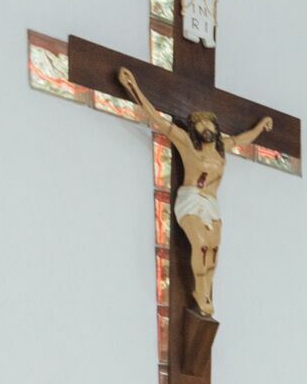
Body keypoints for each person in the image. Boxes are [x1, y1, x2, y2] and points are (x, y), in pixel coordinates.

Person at [115, 66, 273, 316]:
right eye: (200, 124)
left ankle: (206, 291)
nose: (206, 127)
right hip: (191, 200)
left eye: (209, 123)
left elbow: (243, 139)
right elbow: (157, 119)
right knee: (200, 245)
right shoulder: (187, 143)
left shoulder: (221, 149)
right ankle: (200, 293)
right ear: (194, 130)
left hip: (211, 203)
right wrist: (133, 87)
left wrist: (261, 126)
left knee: (213, 250)